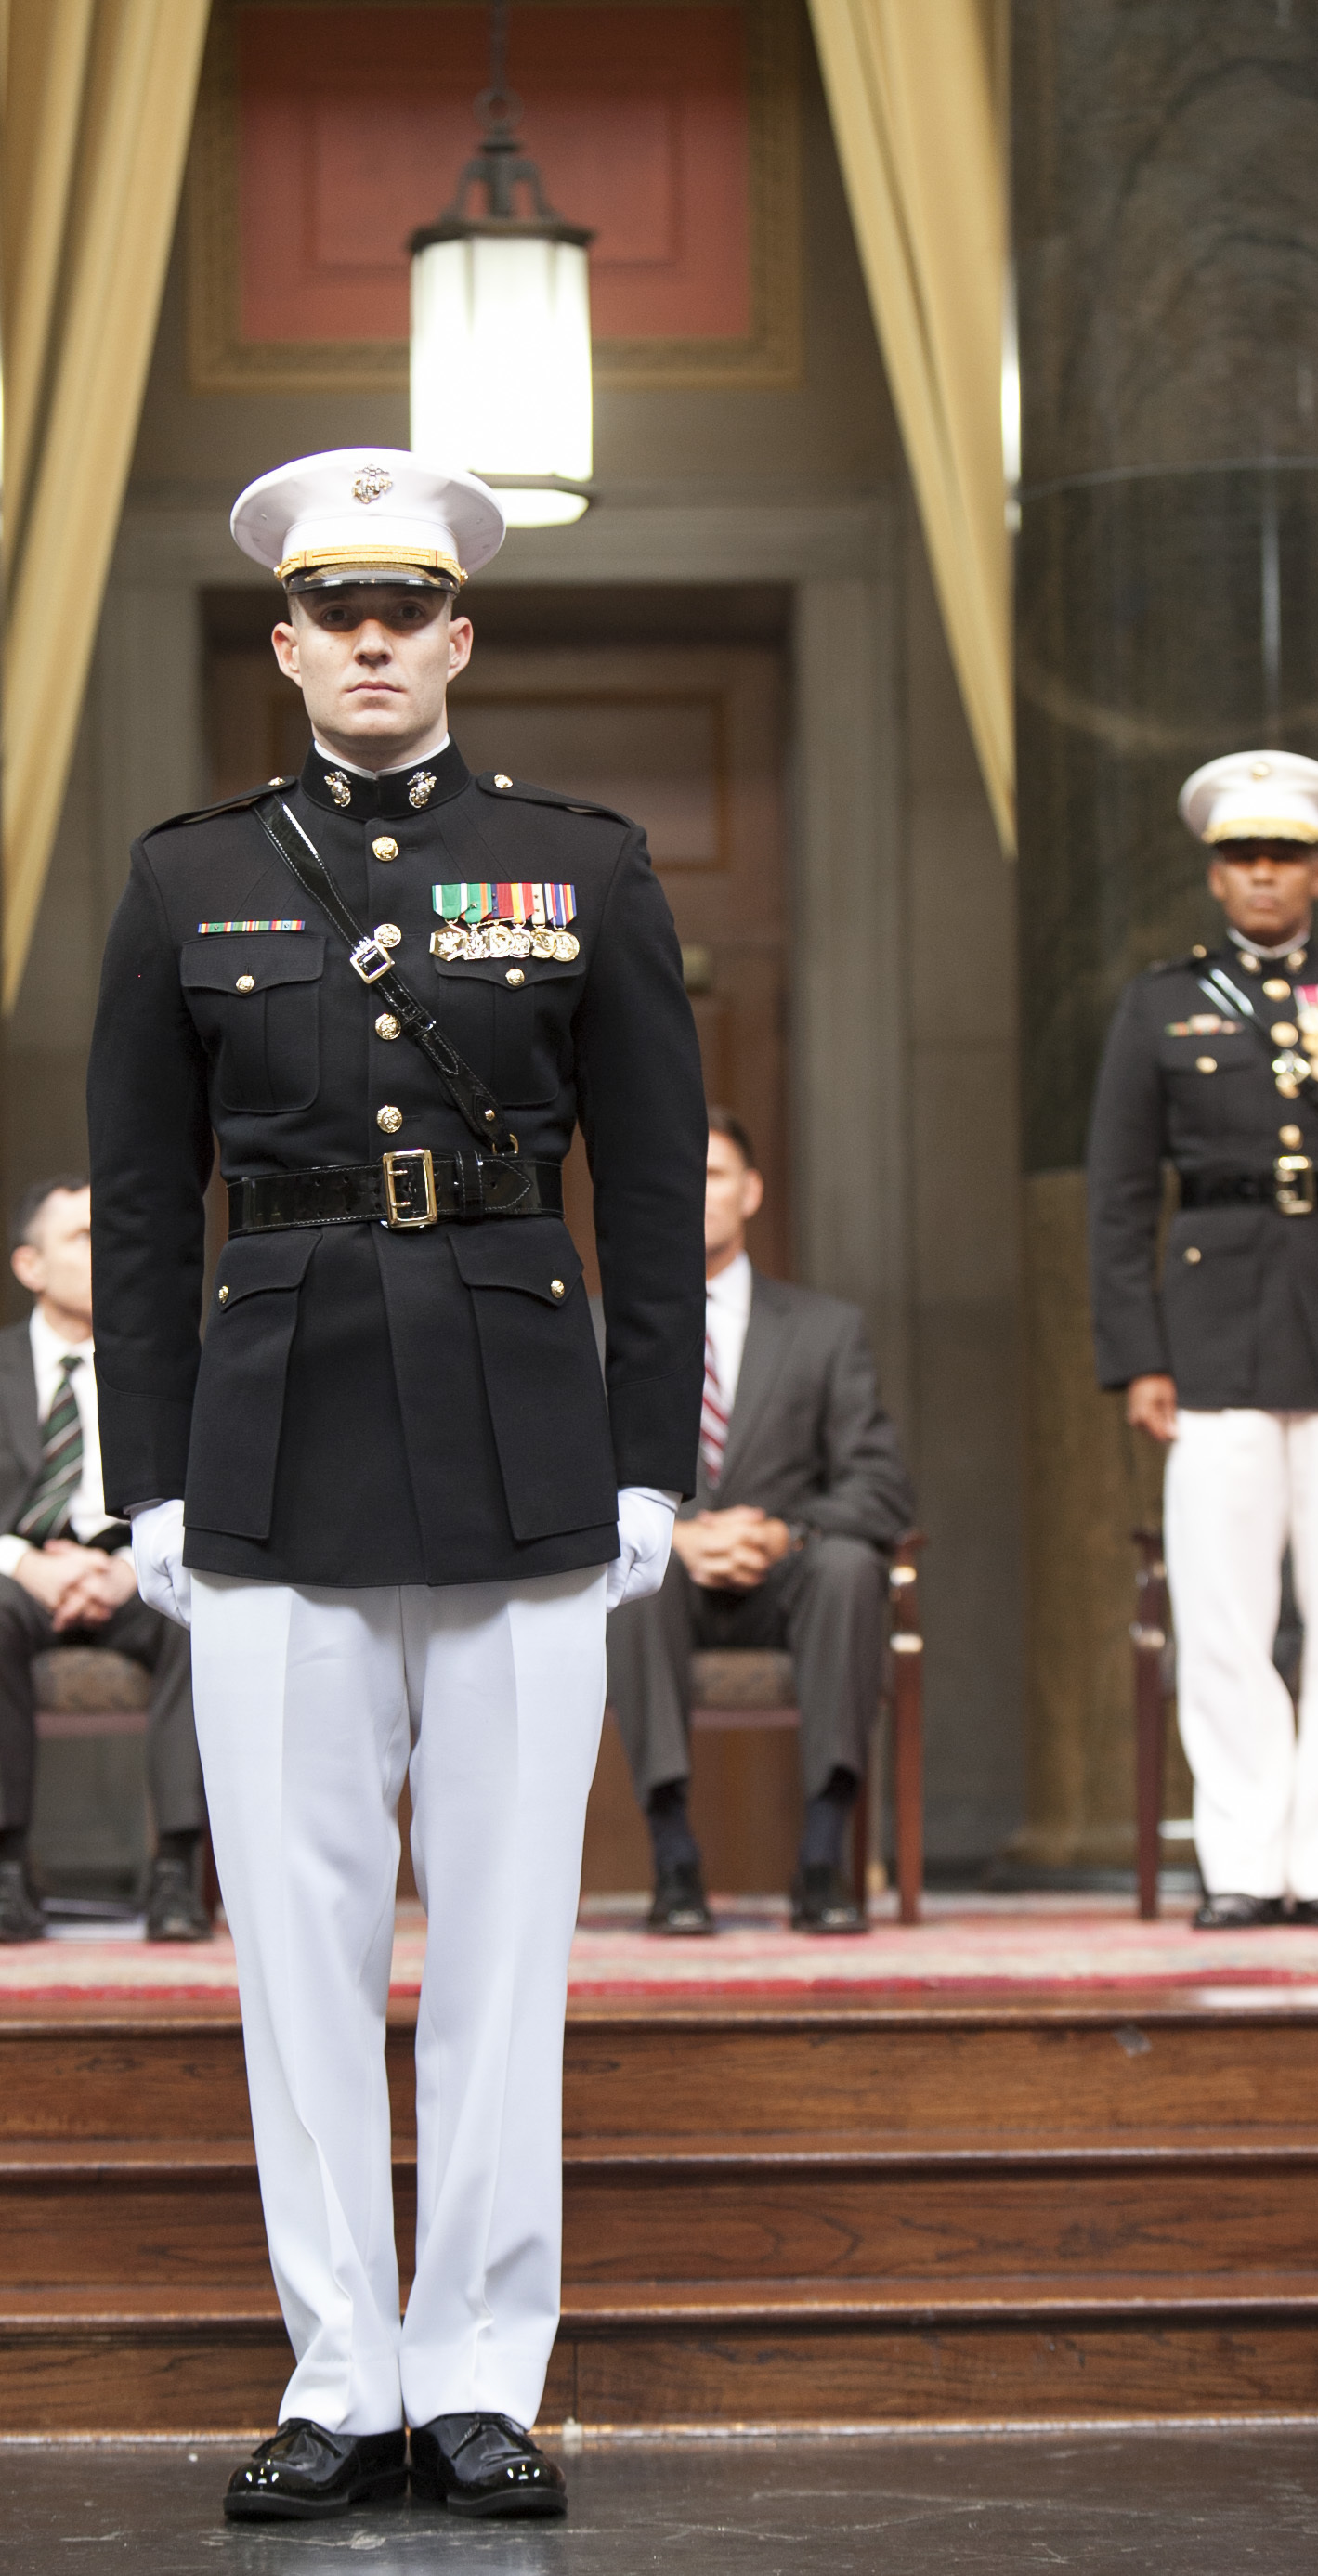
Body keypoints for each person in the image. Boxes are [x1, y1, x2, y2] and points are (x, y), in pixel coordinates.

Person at [85, 450, 704, 2525]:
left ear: (457, 638)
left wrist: (639, 1463)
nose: (367, 641)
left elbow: (647, 1178)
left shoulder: (581, 865)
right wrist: (152, 1485)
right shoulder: (186, 880)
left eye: (402, 610)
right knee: (299, 1952)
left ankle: (477, 2374)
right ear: (283, 645)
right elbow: (149, 1228)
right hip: (266, 1450)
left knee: (511, 1945)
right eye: (330, 613)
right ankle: (341, 2370)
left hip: (528, 1444)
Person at [1088, 749, 1318, 1930]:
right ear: (1214, 875)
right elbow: (1115, 1197)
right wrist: (1138, 1354)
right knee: (1222, 1610)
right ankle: (1244, 1859)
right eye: (1242, 856)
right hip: (1213, 1330)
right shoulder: (1157, 1003)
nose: (1262, 876)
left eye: (1284, 857)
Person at [607, 1112, 915, 1935]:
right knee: (632, 1572)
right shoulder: (606, 1329)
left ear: (750, 1193)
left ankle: (822, 1857)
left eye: (714, 1175)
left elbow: (882, 1487)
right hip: (668, 1583)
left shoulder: (825, 1329)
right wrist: (683, 1535)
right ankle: (673, 1859)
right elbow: (564, 1481)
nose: (697, 1193)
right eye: (683, 1177)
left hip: (787, 1581)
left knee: (852, 1567)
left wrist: (787, 1535)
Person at [0, 1177, 206, 1944]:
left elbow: (204, 1486)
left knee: (198, 1609)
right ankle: (5, 1874)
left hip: (131, 1568)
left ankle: (175, 1873)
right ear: (30, 1265)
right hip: (18, 1573)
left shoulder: (161, 1370)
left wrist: (132, 1565)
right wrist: (25, 1565)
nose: (104, 1253)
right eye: (81, 1238)